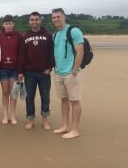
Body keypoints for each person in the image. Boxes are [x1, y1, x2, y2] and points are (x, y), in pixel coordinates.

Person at [51, 8, 84, 139]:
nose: (56, 19)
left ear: (64, 17)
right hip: (58, 72)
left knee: (74, 100)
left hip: (71, 73)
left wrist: (75, 70)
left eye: (58, 17)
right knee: (64, 100)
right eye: (53, 17)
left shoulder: (73, 31)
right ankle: (65, 125)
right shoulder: (56, 34)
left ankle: (75, 129)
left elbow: (80, 51)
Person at [18, 12, 54, 130]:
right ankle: (31, 120)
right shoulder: (25, 36)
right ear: (29, 21)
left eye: (36, 20)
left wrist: (49, 68)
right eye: (32, 20)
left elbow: (51, 54)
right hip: (29, 73)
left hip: (44, 73)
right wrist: (21, 72)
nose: (34, 22)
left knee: (45, 97)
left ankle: (45, 120)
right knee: (29, 98)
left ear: (40, 20)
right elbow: (22, 55)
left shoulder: (48, 36)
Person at [0, 15, 21, 125]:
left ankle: (13, 115)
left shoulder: (19, 36)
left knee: (13, 93)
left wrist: (21, 71)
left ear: (13, 24)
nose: (8, 25)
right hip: (3, 69)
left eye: (10, 23)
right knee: (5, 92)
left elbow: (21, 53)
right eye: (6, 23)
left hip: (15, 69)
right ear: (3, 25)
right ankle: (5, 115)